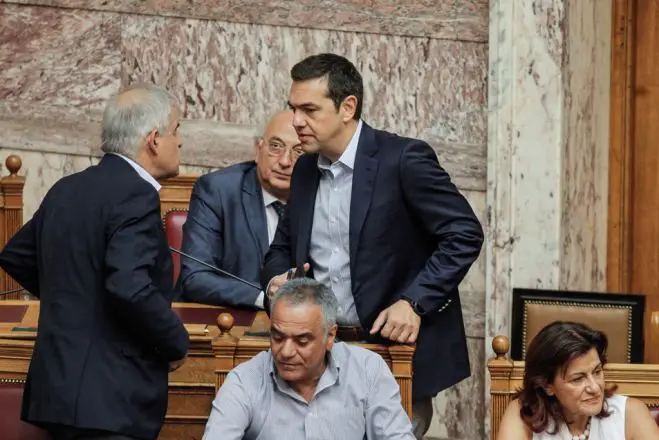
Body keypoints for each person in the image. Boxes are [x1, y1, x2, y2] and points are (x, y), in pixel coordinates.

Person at [260, 53, 484, 438]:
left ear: (348, 107)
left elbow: (464, 233)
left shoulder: (403, 159)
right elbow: (282, 246)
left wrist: (414, 301)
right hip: (320, 358)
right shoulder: (304, 171)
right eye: (293, 108)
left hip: (392, 356)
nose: (297, 121)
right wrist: (276, 281)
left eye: (310, 109)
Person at [0, 84, 190, 440]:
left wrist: (78, 299)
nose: (179, 142)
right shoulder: (135, 194)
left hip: (57, 393)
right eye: (176, 130)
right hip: (110, 401)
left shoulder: (67, 187)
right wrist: (175, 341)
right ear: (153, 139)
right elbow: (130, 287)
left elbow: (16, 255)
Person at [202, 278, 415, 440]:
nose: (285, 352)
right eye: (277, 337)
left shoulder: (367, 369)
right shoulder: (244, 380)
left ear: (330, 336)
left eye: (302, 341)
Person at [179, 109, 303, 308]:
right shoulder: (218, 191)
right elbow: (196, 277)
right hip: (230, 325)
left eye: (299, 152)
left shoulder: (319, 196)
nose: (285, 161)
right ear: (258, 149)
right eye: (276, 146)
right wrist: (269, 298)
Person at [497, 321, 659, 440]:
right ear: (547, 386)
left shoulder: (629, 413)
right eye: (578, 379)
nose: (595, 388)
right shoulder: (524, 414)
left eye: (597, 371)